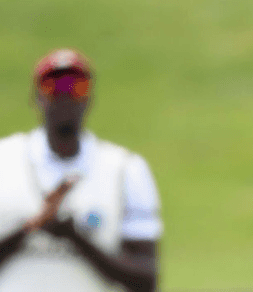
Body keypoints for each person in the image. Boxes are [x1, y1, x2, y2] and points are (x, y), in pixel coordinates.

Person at [0, 49, 162, 292]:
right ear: (37, 97)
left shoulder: (125, 169)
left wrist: (75, 237)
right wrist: (29, 227)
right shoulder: (4, 160)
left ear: (89, 97)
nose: (64, 95)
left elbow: (146, 279)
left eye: (76, 86)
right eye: (53, 86)